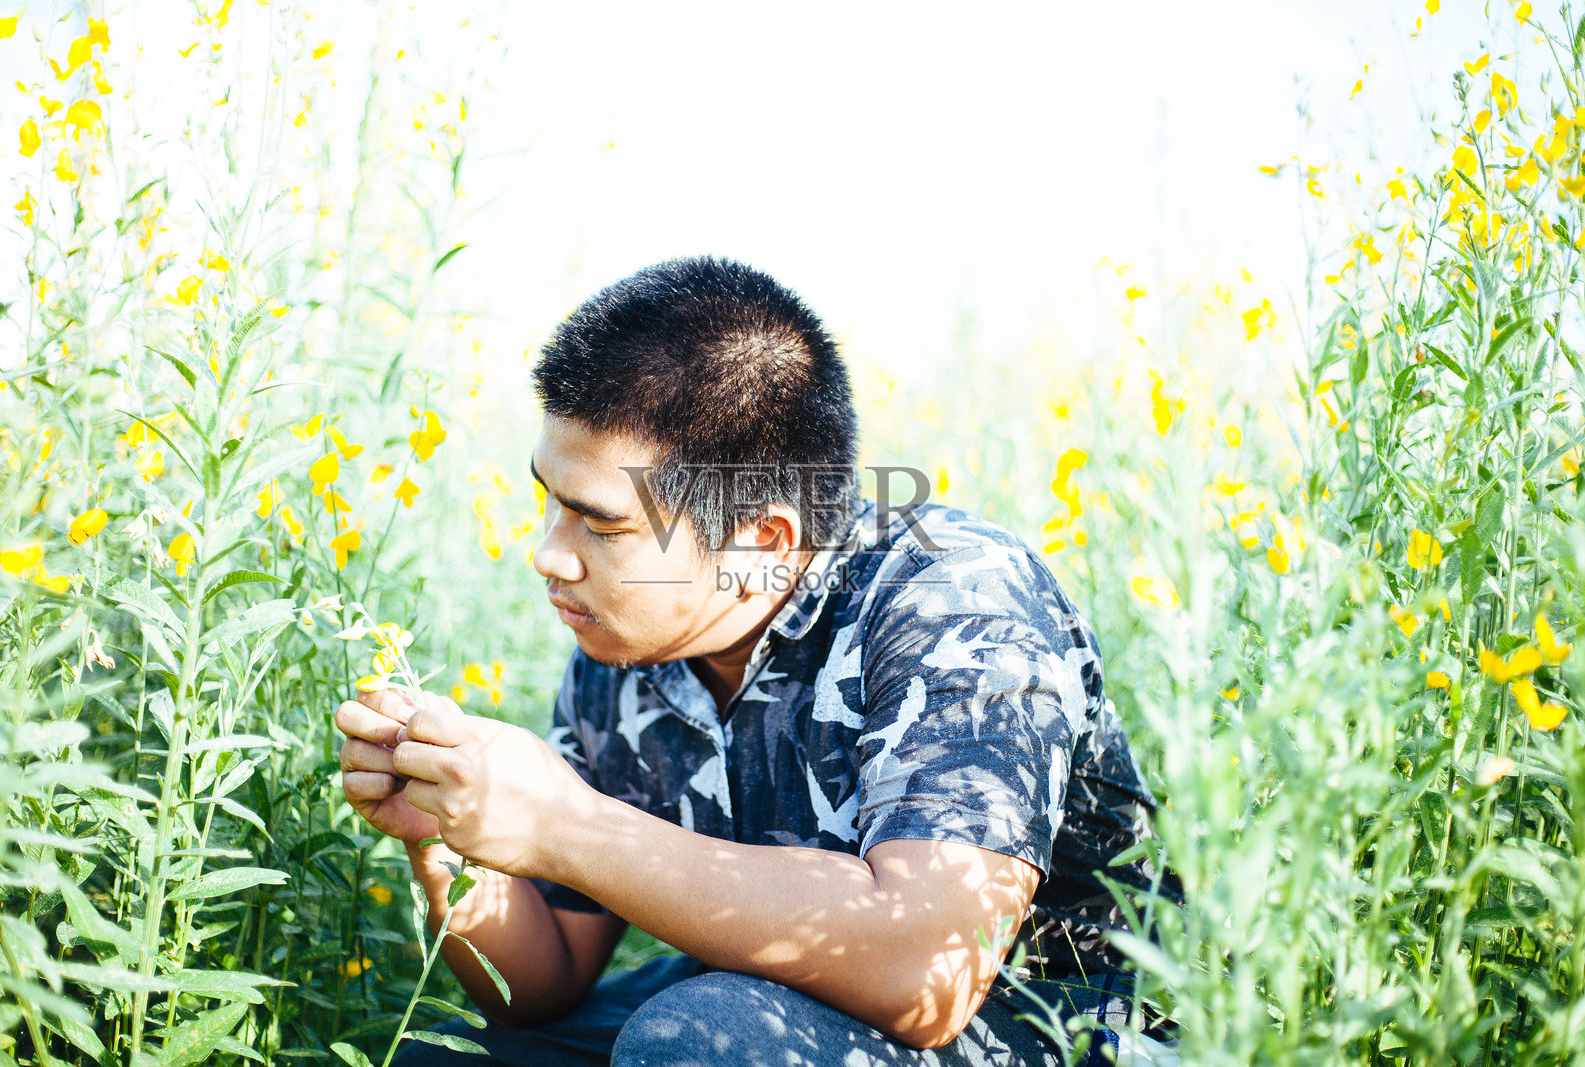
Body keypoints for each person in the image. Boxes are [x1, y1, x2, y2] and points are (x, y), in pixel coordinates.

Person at [334, 257, 1173, 1066]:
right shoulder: (624, 644)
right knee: (441, 1054)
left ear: (760, 544)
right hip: (765, 998)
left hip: (1058, 1018)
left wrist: (563, 822)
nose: (548, 555)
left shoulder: (955, 597)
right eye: (549, 502)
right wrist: (453, 839)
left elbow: (933, 972)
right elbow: (544, 982)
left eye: (601, 523)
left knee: (702, 1039)